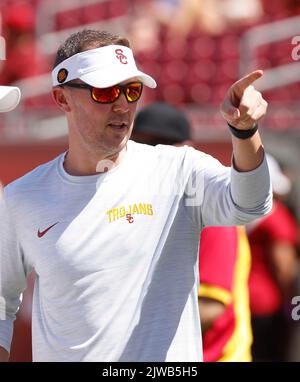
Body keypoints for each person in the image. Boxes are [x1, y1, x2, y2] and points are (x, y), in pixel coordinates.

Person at [0, 29, 271, 362]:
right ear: (62, 99)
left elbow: (250, 204)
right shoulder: (21, 197)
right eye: (106, 92)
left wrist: (245, 134)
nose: (122, 104)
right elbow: (2, 299)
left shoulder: (179, 169)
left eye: (131, 90)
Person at [133, 102, 253, 362]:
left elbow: (210, 308)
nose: (151, 154)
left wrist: (129, 335)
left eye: (161, 144)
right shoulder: (145, 205)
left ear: (187, 148)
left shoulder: (204, 203)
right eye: (139, 145)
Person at [247, 154, 298, 361]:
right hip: (268, 305)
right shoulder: (276, 217)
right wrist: (292, 302)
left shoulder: (232, 214)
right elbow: (283, 267)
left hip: (239, 301)